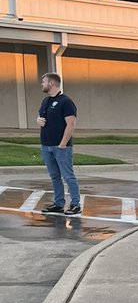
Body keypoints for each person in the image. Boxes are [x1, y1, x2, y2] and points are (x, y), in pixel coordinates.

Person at [37, 73, 81, 216]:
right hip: (46, 145)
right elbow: (42, 117)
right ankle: (58, 204)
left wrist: (63, 144)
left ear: (51, 83)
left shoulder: (66, 101)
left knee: (68, 176)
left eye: (43, 82)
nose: (41, 84)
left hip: (61, 147)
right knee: (54, 176)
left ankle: (75, 204)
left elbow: (71, 124)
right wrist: (38, 120)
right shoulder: (45, 101)